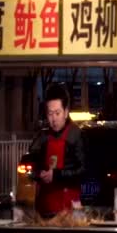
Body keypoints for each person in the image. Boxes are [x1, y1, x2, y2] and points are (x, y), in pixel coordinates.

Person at [29, 84, 85, 218]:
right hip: (45, 209)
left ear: (66, 112)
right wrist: (38, 174)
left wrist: (57, 175)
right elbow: (30, 168)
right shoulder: (41, 137)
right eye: (50, 113)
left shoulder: (76, 135)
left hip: (70, 211)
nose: (53, 119)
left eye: (57, 113)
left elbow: (83, 171)